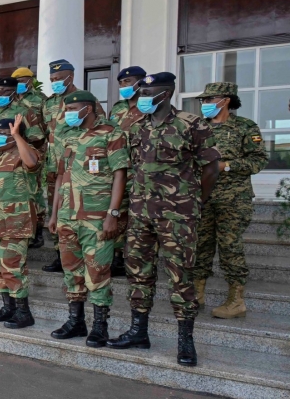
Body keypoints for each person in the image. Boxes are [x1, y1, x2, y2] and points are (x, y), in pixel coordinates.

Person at [107, 72, 220, 368]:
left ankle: (185, 341)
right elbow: (132, 168)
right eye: (142, 92)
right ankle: (138, 332)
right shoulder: (137, 127)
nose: (143, 97)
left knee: (181, 276)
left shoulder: (191, 124)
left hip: (178, 216)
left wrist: (195, 201)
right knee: (138, 272)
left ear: (166, 94)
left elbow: (211, 169)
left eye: (150, 92)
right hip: (141, 214)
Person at [47, 90, 129, 347]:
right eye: (67, 110)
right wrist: (54, 213)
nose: (69, 114)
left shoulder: (112, 133)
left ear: (90, 109)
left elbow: (120, 174)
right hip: (67, 216)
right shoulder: (67, 137)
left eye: (75, 109)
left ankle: (100, 326)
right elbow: (61, 177)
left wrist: (113, 214)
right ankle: (76, 320)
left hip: (96, 217)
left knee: (98, 272)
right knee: (72, 271)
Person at [192, 82, 268, 319]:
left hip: (233, 199)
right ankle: (197, 295)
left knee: (230, 247)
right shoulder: (198, 126)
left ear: (225, 100)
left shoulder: (245, 127)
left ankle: (236, 301)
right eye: (203, 101)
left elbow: (258, 161)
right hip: (202, 197)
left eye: (209, 100)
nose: (204, 105)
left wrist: (226, 166)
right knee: (199, 246)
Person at [42, 59, 106, 273]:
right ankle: (60, 254)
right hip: (57, 167)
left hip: (82, 166)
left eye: (59, 79)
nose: (55, 82)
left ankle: (92, 256)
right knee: (57, 209)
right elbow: (46, 135)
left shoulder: (87, 100)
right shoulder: (49, 103)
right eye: (52, 79)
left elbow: (99, 127)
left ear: (71, 77)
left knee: (83, 211)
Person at [0, 116, 43, 329]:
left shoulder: (26, 152)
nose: (0, 137)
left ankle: (23, 312)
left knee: (13, 268)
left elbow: (32, 164)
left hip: (15, 222)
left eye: (6, 133)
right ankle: (8, 307)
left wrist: (16, 136)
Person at [106, 65, 148, 277]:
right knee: (119, 213)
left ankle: (139, 259)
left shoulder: (149, 107)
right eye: (121, 83)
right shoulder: (117, 109)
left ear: (140, 83)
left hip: (143, 171)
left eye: (127, 82)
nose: (124, 86)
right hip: (121, 169)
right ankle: (117, 258)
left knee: (140, 217)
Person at [12, 67, 48, 250]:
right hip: (13, 151)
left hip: (35, 148)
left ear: (30, 80)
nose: (19, 85)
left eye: (22, 80)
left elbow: (47, 125)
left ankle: (38, 231)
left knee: (35, 190)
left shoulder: (40, 100)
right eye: (16, 81)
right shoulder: (10, 99)